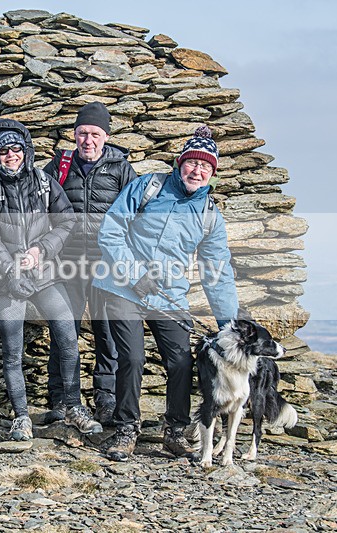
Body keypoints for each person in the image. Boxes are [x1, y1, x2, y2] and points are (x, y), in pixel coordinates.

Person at [93, 125, 238, 461]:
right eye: (192, 163)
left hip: (168, 295)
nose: (197, 170)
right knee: (131, 358)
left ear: (212, 174)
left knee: (182, 361)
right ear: (179, 162)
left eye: (206, 167)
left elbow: (218, 272)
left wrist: (229, 325)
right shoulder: (148, 186)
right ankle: (126, 429)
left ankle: (174, 431)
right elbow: (111, 230)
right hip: (120, 287)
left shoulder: (208, 215)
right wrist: (134, 274)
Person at [0, 118, 103, 441]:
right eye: (4, 151)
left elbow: (66, 221)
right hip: (5, 281)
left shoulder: (44, 182)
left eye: (17, 149)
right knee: (12, 350)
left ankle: (72, 405)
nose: (11, 155)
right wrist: (12, 270)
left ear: (26, 151)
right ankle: (20, 417)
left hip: (44, 274)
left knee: (68, 336)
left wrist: (40, 251)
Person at [42, 102, 137, 425]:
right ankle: (60, 398)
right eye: (83, 133)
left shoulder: (121, 168)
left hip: (107, 265)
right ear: (74, 134)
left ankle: (106, 399)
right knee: (63, 331)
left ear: (106, 136)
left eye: (95, 134)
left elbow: (137, 216)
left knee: (107, 332)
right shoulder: (58, 167)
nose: (88, 140)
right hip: (66, 263)